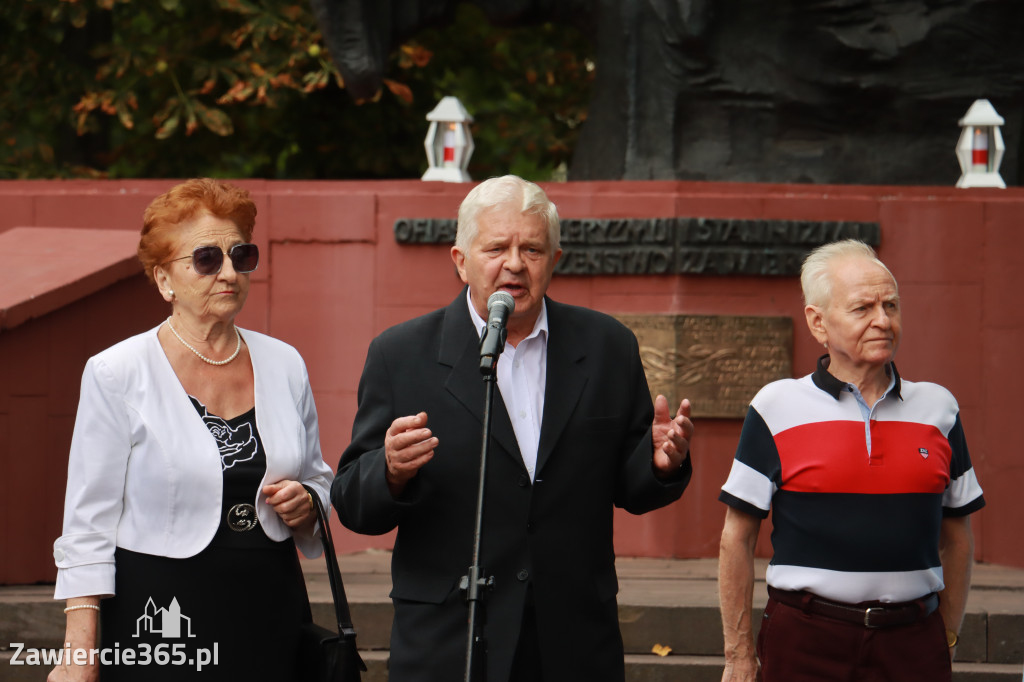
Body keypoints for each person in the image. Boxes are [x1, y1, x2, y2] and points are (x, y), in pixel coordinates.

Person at [332, 174, 694, 682]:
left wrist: (658, 464)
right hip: (450, 636)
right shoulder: (401, 354)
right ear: (460, 261)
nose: (515, 264)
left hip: (570, 639)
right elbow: (352, 501)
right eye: (497, 247)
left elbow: (631, 487)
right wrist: (389, 472)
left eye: (533, 249)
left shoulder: (607, 346)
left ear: (556, 260)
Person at [49, 178, 333, 682]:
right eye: (206, 259)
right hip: (159, 612)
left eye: (240, 256)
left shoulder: (285, 363)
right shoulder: (118, 372)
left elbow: (317, 478)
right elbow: (88, 521)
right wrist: (79, 647)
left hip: (270, 607)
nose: (228, 272)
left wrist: (308, 502)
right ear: (164, 280)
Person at [717, 239, 985, 682]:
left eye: (891, 305)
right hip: (804, 641)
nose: (883, 320)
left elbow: (958, 537)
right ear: (818, 322)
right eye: (863, 308)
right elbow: (736, 538)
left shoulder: (940, 409)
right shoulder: (775, 406)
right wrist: (738, 655)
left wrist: (946, 637)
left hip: (913, 645)